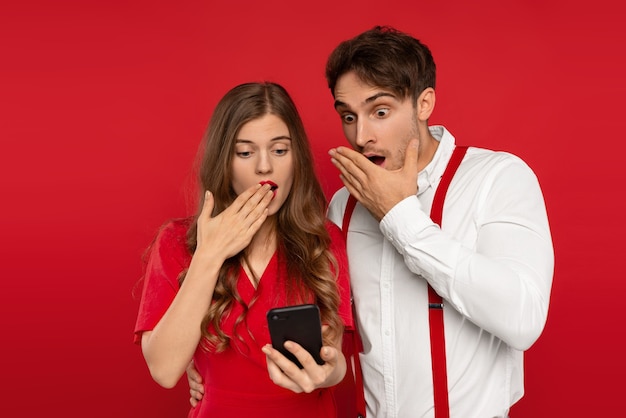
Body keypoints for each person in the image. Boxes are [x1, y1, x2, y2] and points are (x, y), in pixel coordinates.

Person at [189, 26, 554, 417]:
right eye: (349, 116)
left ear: (423, 103)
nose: (361, 136)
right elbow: (318, 327)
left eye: (380, 112)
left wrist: (399, 216)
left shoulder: (495, 179)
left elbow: (523, 318)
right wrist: (212, 369)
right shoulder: (343, 208)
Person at [134, 81, 353, 418]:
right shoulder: (177, 242)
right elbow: (164, 370)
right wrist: (211, 254)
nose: (264, 167)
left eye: (280, 150)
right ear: (225, 160)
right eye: (245, 152)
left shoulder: (325, 240)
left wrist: (330, 371)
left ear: (296, 159)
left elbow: (335, 357)